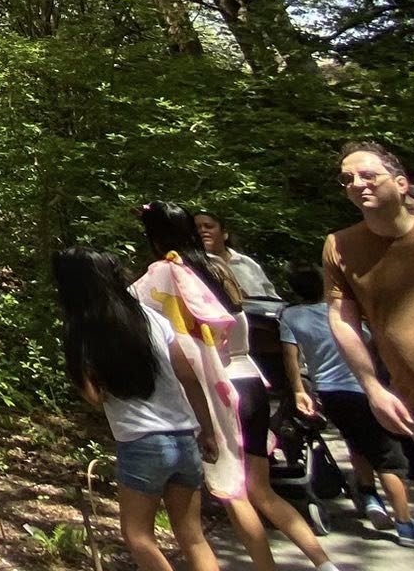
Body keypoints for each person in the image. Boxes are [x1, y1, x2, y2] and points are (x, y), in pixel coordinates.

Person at [135, 201, 338, 571]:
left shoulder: (164, 274)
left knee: (234, 492)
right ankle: (323, 563)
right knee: (261, 489)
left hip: (219, 388)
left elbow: (138, 315)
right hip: (251, 380)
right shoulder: (218, 267)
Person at [54, 247, 222, 571]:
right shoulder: (151, 317)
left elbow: (95, 397)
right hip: (184, 437)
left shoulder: (82, 330)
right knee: (193, 536)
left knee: (138, 536)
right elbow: (188, 376)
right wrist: (209, 430)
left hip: (141, 443)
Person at [324, 140, 414, 501]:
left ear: (401, 183)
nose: (357, 184)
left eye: (368, 175)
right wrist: (373, 388)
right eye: (348, 179)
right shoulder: (340, 246)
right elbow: (343, 321)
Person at [279, 264, 414, 545]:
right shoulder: (343, 311)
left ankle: (369, 496)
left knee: (356, 443)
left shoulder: (290, 316)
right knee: (389, 459)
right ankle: (406, 524)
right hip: (364, 390)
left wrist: (299, 390)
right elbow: (372, 342)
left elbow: (290, 356)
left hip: (329, 392)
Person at [193, 212, 283, 314]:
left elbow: (273, 300)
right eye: (197, 228)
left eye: (209, 226)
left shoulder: (247, 263)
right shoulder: (193, 267)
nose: (202, 230)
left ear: (224, 234)